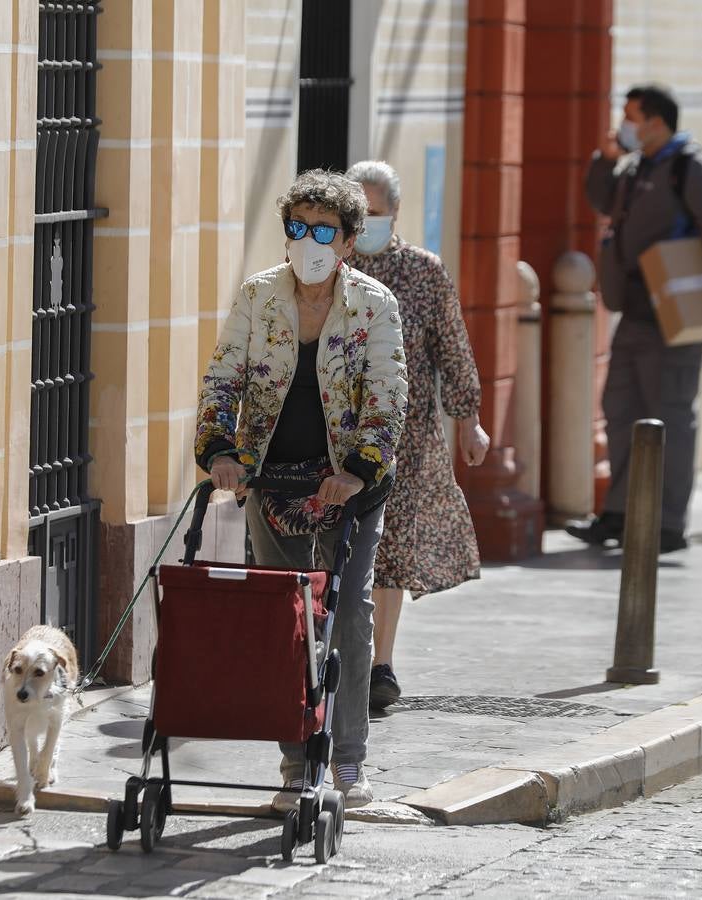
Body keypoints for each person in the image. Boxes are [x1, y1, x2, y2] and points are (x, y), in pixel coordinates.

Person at [194, 169, 408, 809]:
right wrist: (222, 452)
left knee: (346, 615)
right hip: (273, 479)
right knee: (289, 619)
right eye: (297, 227)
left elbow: (388, 396)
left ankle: (347, 764)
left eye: (322, 230)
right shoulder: (258, 296)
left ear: (347, 241)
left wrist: (359, 468)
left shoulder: (374, 305)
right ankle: (295, 765)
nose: (308, 241)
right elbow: (222, 377)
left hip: (350, 485)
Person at [569, 83, 702, 554]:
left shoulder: (690, 166)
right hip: (637, 312)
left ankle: (668, 523)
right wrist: (606, 158)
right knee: (622, 408)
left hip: (680, 314)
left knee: (669, 414)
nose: (624, 122)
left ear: (656, 122)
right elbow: (603, 200)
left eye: (630, 115)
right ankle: (620, 514)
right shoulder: (637, 167)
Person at [346, 159, 489, 711]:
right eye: (359, 214)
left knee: (391, 550)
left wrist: (468, 419)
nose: (366, 224)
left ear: (395, 214)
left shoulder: (425, 272)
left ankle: (380, 664)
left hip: (407, 439)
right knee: (340, 544)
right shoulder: (328, 266)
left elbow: (451, 348)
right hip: (340, 434)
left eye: (375, 213)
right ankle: (337, 654)